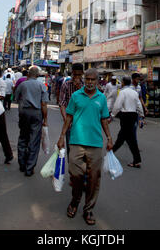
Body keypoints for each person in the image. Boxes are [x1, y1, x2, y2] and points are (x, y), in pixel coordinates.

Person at [57, 68, 113, 226]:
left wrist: (109, 138)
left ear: (97, 81)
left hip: (95, 144)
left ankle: (88, 209)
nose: (89, 82)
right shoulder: (75, 96)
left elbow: (104, 119)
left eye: (92, 80)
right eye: (87, 79)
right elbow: (68, 117)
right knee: (75, 175)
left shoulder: (101, 98)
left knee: (94, 179)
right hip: (76, 141)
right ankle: (75, 201)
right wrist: (61, 137)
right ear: (84, 80)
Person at [14, 66, 48, 176]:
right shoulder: (41, 85)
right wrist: (45, 119)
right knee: (34, 140)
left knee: (23, 137)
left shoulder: (23, 84)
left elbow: (16, 98)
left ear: (28, 75)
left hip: (24, 112)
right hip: (36, 113)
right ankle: (29, 168)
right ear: (37, 75)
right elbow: (44, 103)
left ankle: (22, 164)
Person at [111, 76, 144, 168]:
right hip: (133, 115)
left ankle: (111, 152)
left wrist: (112, 115)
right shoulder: (134, 92)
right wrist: (141, 115)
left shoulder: (122, 92)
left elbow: (117, 106)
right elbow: (138, 105)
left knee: (125, 137)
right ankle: (112, 152)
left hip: (125, 115)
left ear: (123, 83)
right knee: (126, 137)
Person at [59, 63, 84, 159]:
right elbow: (62, 103)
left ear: (82, 74)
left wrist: (78, 89)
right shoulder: (66, 85)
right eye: (75, 75)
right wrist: (66, 120)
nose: (77, 77)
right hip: (70, 121)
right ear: (72, 73)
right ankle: (73, 170)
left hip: (83, 121)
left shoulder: (85, 85)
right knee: (71, 148)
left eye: (79, 75)